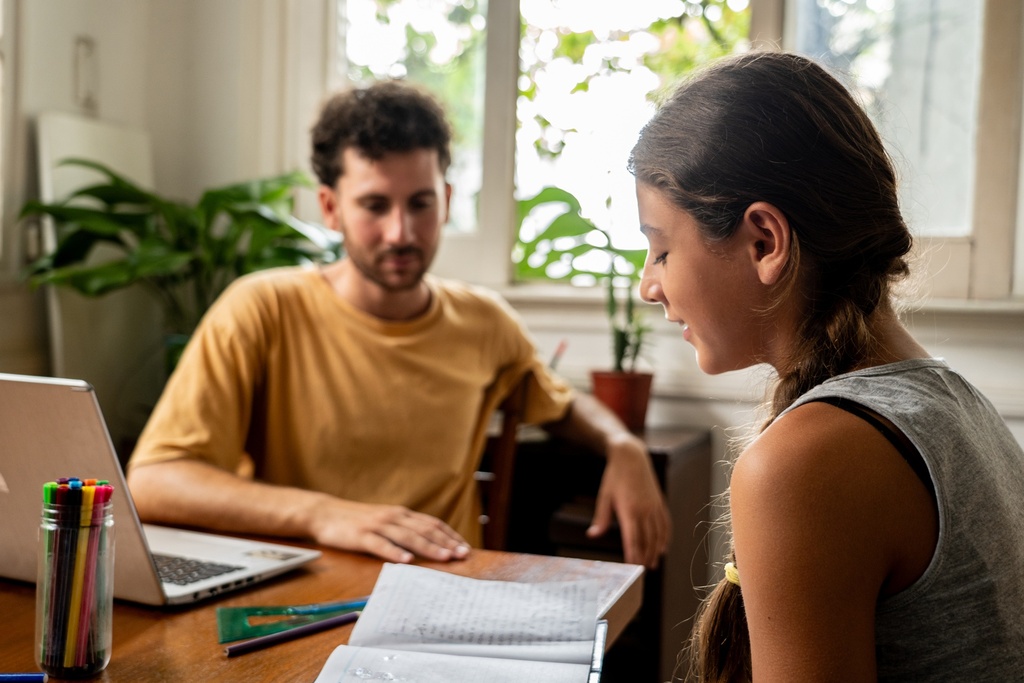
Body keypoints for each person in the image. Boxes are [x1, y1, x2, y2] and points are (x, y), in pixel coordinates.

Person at [126, 80, 670, 569]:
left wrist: (623, 445)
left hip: (446, 596)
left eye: (420, 203)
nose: (401, 232)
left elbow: (561, 404)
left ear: (447, 201)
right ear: (330, 208)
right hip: (296, 595)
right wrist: (324, 515)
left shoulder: (483, 322)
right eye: (374, 205)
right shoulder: (262, 307)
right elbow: (153, 481)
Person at [629, 51, 1024, 681]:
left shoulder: (807, 463)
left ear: (764, 241)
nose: (649, 286)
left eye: (661, 250)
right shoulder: (957, 405)